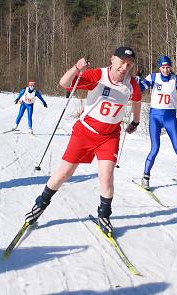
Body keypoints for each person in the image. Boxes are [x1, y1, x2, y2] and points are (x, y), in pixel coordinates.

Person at [24, 46, 142, 237]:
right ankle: (40, 205)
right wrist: (76, 68)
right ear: (112, 59)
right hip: (85, 132)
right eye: (121, 62)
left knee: (106, 177)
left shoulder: (131, 84)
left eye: (129, 65)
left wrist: (135, 121)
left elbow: (137, 99)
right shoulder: (98, 76)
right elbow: (64, 83)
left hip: (109, 136)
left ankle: (104, 215)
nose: (124, 68)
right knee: (64, 173)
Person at [136, 55, 177, 190]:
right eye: (163, 67)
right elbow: (140, 89)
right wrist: (138, 80)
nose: (166, 70)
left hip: (170, 117)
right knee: (155, 148)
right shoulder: (153, 77)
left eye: (168, 67)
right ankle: (145, 177)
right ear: (160, 68)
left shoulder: (176, 78)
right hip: (155, 117)